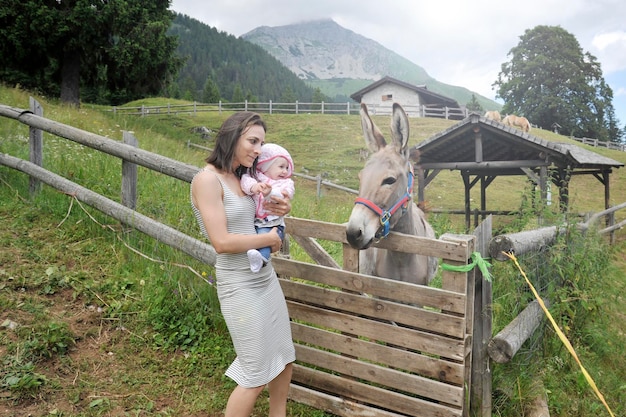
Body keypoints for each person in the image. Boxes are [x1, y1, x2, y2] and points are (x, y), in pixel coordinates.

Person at [190, 112, 295, 417]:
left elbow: (264, 216)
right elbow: (221, 242)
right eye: (252, 141)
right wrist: (269, 242)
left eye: (261, 142)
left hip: (264, 279)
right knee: (254, 373)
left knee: (284, 358)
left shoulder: (243, 178)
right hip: (238, 283)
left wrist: (282, 207)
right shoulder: (207, 179)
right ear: (232, 136)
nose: (258, 149)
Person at [240, 143, 295, 273]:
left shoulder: (285, 182)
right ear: (266, 166)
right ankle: (257, 258)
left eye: (287, 168)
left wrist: (270, 193)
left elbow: (285, 194)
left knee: (265, 236)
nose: (285, 171)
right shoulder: (255, 177)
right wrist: (254, 187)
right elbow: (245, 181)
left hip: (272, 223)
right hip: (255, 222)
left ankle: (261, 260)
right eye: (281, 167)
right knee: (259, 236)